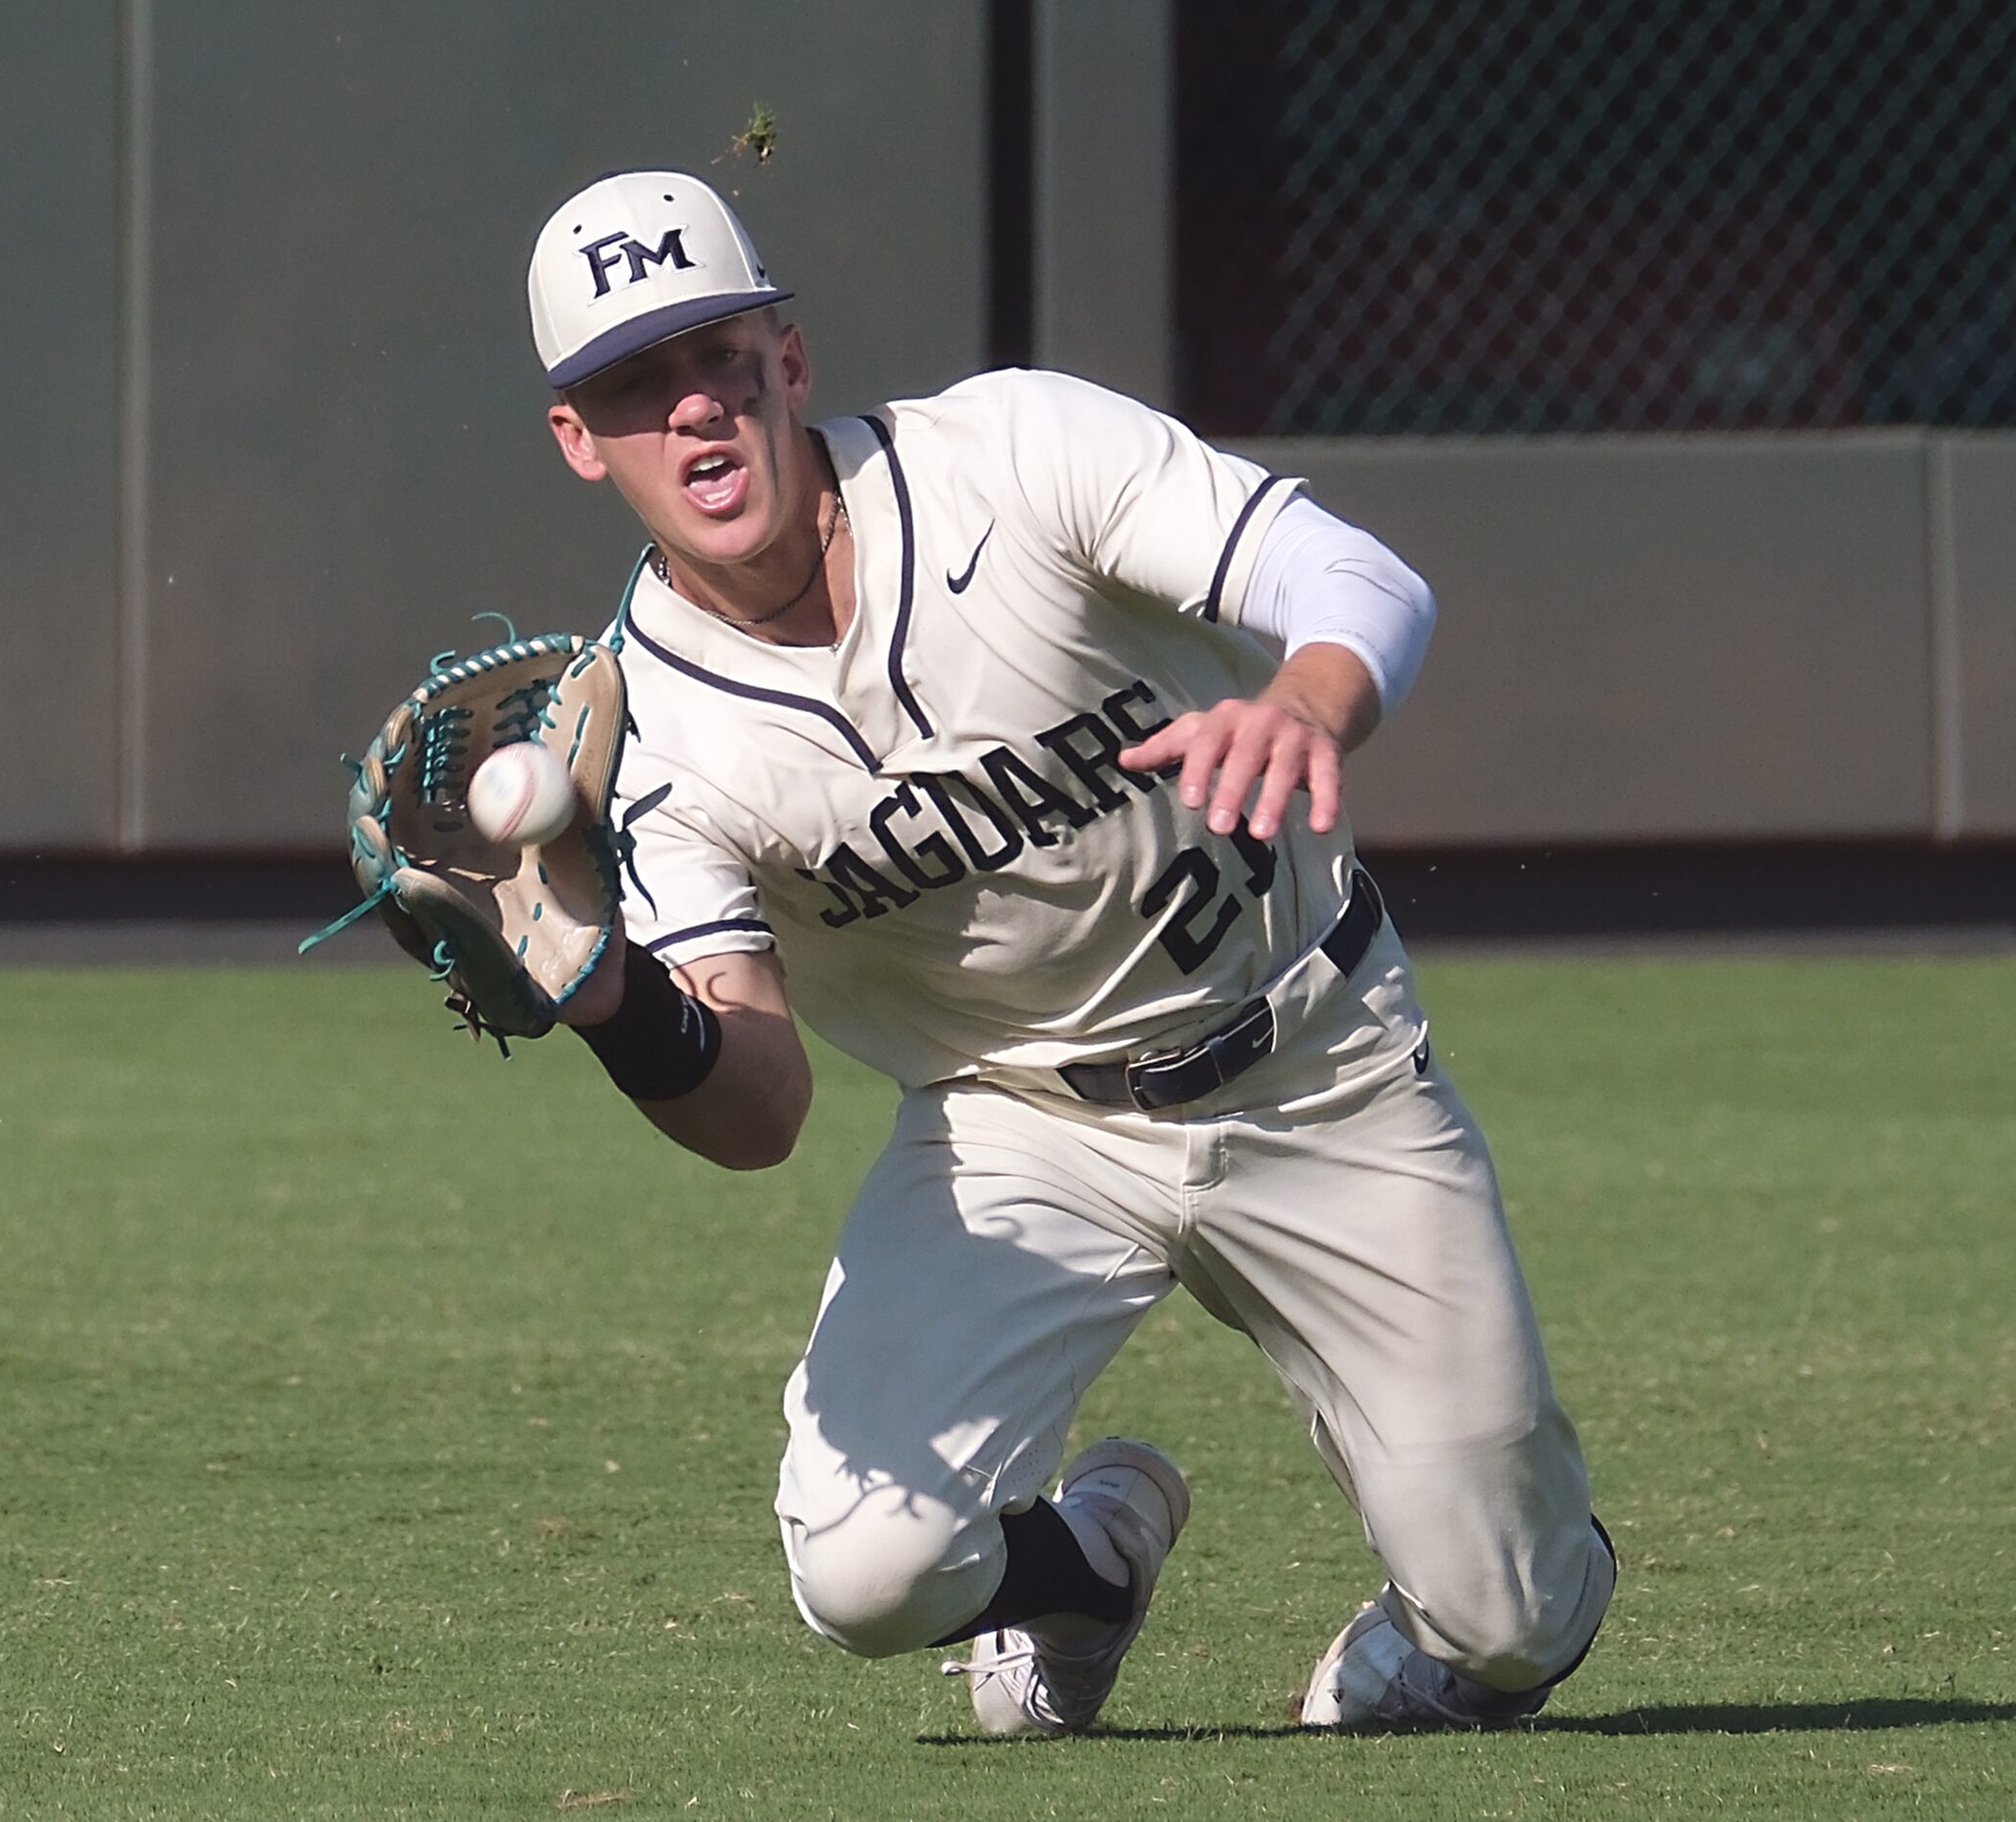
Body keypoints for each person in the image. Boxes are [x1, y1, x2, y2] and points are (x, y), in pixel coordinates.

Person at [520, 169, 1613, 1734]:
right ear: (580, 439)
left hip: (1313, 1058)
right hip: (1017, 1125)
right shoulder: (658, 732)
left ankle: (1477, 1605)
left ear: (789, 357)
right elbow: (757, 1107)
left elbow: (1362, 579)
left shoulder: (1010, 456)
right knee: (866, 1567)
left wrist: (1306, 700)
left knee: (1513, 1616)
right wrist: (609, 998)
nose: (692, 408)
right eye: (636, 384)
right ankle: (1086, 1570)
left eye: (717, 356)